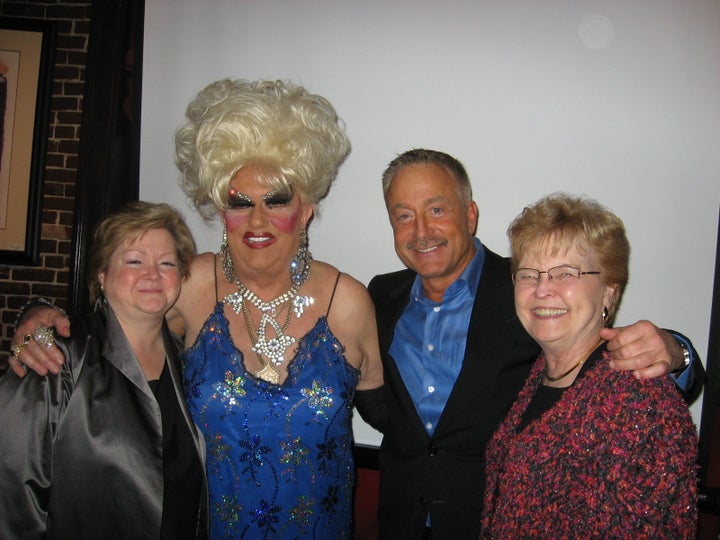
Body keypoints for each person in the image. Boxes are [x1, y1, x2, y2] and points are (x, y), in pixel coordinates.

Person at [9, 79, 385, 539]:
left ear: (305, 209)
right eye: (239, 203)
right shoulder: (189, 283)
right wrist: (40, 315)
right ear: (220, 209)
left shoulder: (347, 300)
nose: (258, 220)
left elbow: (386, 411)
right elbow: (113, 315)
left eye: (277, 200)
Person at [367, 148, 702, 539]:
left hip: (488, 522)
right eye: (403, 215)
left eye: (436, 209)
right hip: (400, 519)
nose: (421, 230)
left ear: (469, 215)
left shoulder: (522, 294)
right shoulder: (380, 295)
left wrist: (677, 351)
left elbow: (624, 379)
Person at [480, 193, 697, 537]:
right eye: (528, 274)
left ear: (609, 291)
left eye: (565, 273)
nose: (542, 289)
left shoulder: (639, 403)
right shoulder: (541, 374)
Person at [0, 201, 208, 539]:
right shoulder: (56, 356)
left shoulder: (189, 362)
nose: (152, 274)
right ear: (102, 274)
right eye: (134, 260)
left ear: (181, 277)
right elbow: (10, 490)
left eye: (166, 263)